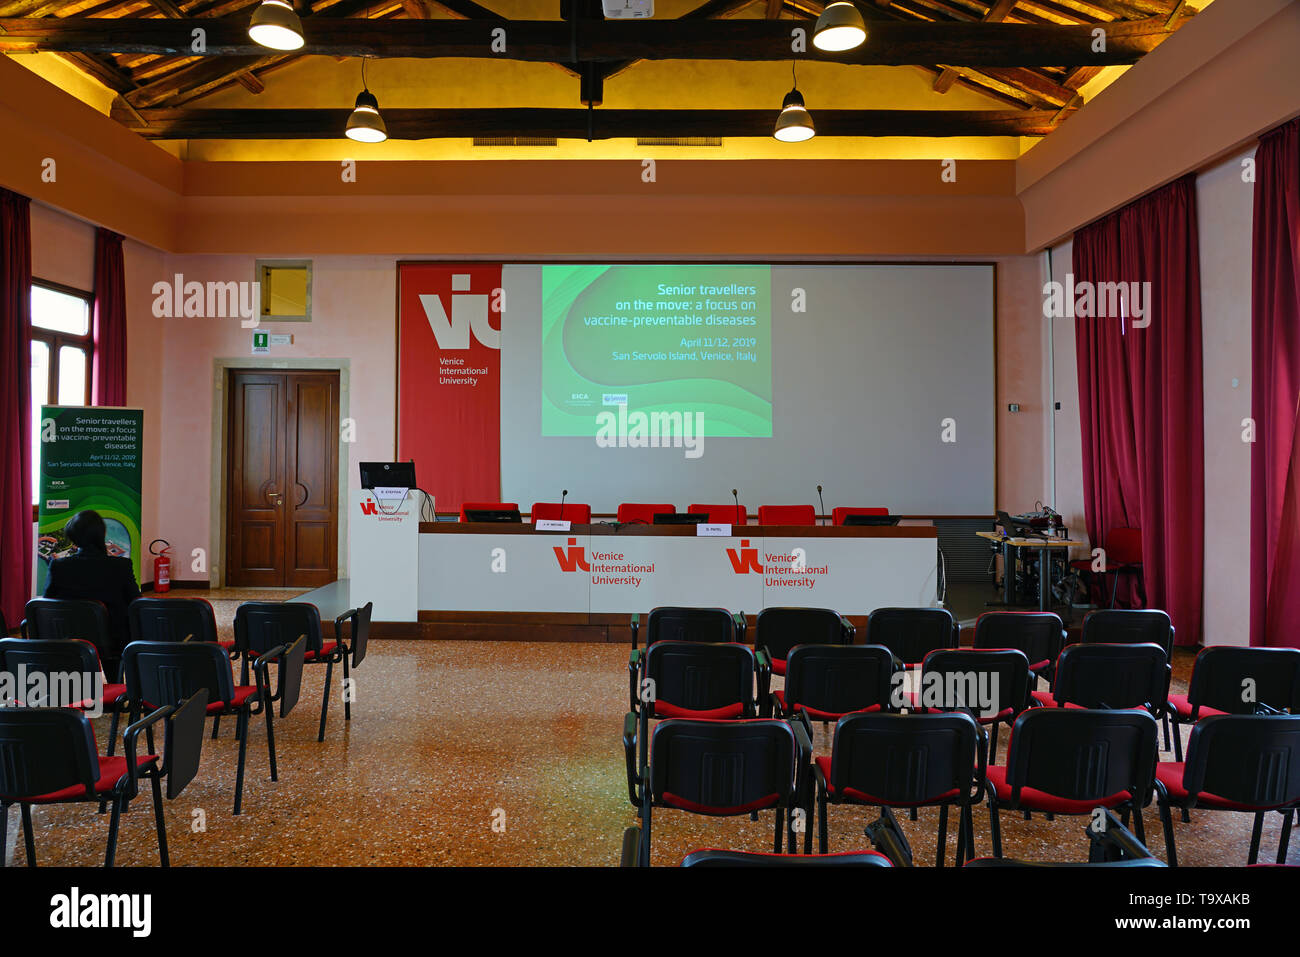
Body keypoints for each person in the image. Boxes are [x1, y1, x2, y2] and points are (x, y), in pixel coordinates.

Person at [43, 509, 140, 679]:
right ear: (101, 534)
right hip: (113, 641)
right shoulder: (121, 566)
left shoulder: (59, 567)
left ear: (73, 537)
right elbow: (136, 603)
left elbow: (48, 604)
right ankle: (114, 686)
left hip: (69, 638)